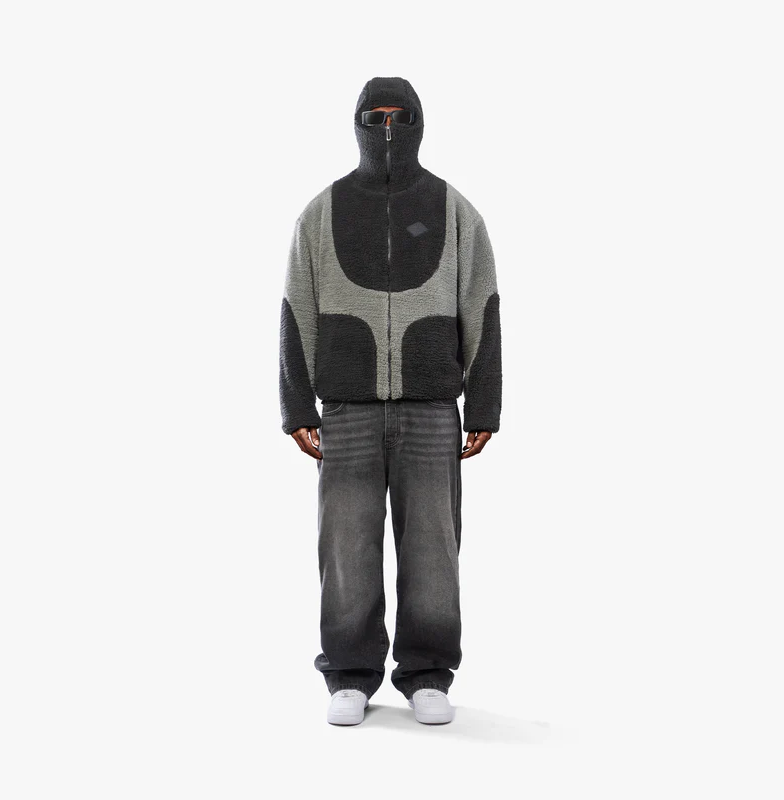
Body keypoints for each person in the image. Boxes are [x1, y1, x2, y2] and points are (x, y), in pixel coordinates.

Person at [278, 76, 502, 725]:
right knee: (345, 550)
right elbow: (296, 308)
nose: (386, 128)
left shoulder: (455, 210)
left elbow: (482, 305)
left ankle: (427, 673)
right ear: (355, 122)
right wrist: (297, 406)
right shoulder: (320, 212)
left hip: (431, 410)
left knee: (434, 551)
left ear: (418, 123)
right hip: (345, 409)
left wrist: (484, 405)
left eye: (398, 116)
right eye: (374, 115)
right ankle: (349, 675)